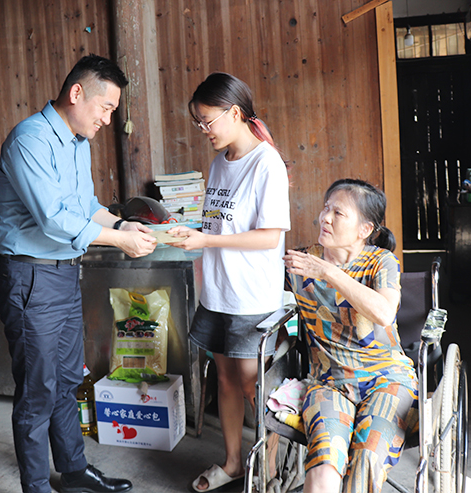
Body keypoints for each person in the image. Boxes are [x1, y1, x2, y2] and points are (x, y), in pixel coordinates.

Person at [0, 54, 156, 493]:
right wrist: (118, 241)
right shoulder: (30, 139)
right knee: (38, 390)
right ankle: (36, 487)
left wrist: (123, 225)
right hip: (31, 278)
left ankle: (73, 471)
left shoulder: (77, 143)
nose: (107, 119)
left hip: (64, 275)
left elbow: (85, 208)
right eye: (105, 108)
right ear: (76, 93)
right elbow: (53, 219)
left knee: (68, 380)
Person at [169, 72, 291, 492]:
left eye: (207, 121)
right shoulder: (221, 161)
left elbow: (269, 237)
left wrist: (206, 239)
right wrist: (190, 232)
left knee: (254, 385)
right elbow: (220, 224)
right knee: (224, 380)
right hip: (218, 291)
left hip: (251, 297)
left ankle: (268, 470)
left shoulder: (266, 163)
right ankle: (234, 463)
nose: (203, 129)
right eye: (198, 122)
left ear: (234, 113)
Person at [283, 179, 418, 493]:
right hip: (329, 382)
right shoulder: (302, 262)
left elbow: (384, 312)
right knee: (324, 465)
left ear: (364, 229)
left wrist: (328, 272)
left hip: (388, 379)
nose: (325, 218)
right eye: (326, 208)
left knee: (367, 459)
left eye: (338, 213)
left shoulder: (381, 262)